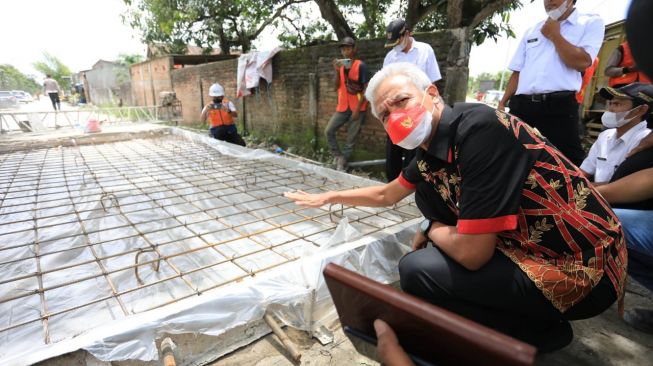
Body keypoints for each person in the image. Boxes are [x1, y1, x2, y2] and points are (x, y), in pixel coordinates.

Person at [285, 63, 627, 352]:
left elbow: (474, 254)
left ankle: (539, 332)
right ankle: (523, 313)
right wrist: (328, 198)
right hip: (528, 242)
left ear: (432, 93)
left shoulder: (481, 131)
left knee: (418, 272)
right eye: (384, 114)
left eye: (402, 101)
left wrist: (430, 229)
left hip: (583, 266)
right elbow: (386, 195)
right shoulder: (430, 149)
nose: (396, 117)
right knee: (427, 196)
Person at [498, 0, 604, 166]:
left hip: (558, 106)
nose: (549, 1)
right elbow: (518, 70)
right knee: (507, 154)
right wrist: (503, 101)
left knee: (568, 162)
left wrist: (555, 35)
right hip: (522, 105)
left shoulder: (590, 22)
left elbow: (582, 62)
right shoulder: (532, 30)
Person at [383, 18, 441, 182]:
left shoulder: (425, 50)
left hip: (418, 109)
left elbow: (432, 82)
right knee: (393, 150)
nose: (396, 45)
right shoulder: (390, 57)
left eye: (398, 40)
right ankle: (391, 185)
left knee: (414, 152)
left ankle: (410, 186)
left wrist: (432, 109)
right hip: (396, 110)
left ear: (407, 33)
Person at [579, 83, 652, 183]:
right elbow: (584, 171)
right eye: (611, 103)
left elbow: (624, 186)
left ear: (640, 110)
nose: (610, 109)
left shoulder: (644, 141)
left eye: (617, 104)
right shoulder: (605, 136)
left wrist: (581, 189)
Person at [325, 37, 369, 171]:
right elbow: (335, 86)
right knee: (329, 131)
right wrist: (336, 70)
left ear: (354, 49)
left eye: (348, 49)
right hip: (343, 106)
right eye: (343, 49)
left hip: (358, 107)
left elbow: (367, 88)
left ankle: (342, 162)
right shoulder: (340, 66)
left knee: (351, 139)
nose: (345, 52)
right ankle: (338, 156)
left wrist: (357, 109)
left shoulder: (361, 66)